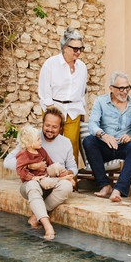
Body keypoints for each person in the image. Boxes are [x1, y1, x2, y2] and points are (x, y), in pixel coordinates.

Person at [4, 106, 77, 239]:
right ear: (42, 124)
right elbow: (7, 161)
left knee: (67, 186)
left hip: (52, 182)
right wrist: (31, 166)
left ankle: (35, 217)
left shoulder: (65, 143)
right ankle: (47, 225)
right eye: (47, 125)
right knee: (32, 185)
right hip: (33, 183)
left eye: (54, 127)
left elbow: (73, 166)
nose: (50, 129)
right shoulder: (31, 137)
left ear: (60, 128)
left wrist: (67, 171)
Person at [82, 72, 131, 202]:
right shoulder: (101, 102)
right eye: (121, 88)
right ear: (111, 88)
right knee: (88, 141)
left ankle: (118, 189)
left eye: (127, 88)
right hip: (106, 146)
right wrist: (103, 135)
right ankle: (104, 185)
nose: (125, 91)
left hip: (124, 146)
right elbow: (92, 124)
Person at [38, 27, 87, 165]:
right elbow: (43, 89)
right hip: (54, 107)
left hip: (73, 109)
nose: (78, 52)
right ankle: (50, 175)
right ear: (65, 47)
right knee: (52, 143)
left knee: (72, 144)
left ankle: (72, 179)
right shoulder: (51, 64)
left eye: (80, 49)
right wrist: (50, 108)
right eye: (75, 49)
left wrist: (83, 109)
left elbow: (82, 91)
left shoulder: (82, 67)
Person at [15, 124, 70, 191]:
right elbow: (20, 170)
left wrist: (56, 170)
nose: (41, 141)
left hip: (45, 172)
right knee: (47, 183)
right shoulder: (24, 154)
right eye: (38, 140)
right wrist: (33, 177)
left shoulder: (40, 150)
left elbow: (49, 162)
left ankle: (64, 175)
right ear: (29, 143)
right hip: (39, 179)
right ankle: (61, 179)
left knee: (57, 165)